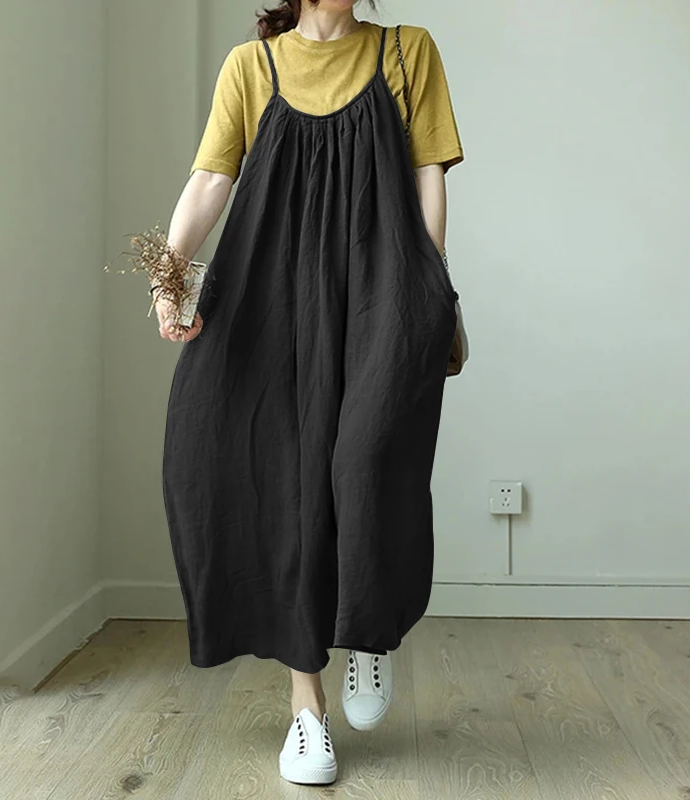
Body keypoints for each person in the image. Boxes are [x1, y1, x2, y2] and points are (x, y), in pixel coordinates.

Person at [153, 0, 463, 786]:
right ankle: (307, 710)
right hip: (273, 297)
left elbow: (428, 177)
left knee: (364, 462)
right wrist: (168, 277)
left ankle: (368, 631)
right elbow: (211, 179)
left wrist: (431, 292)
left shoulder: (408, 52)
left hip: (386, 291)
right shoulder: (251, 67)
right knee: (287, 489)